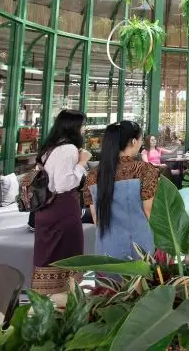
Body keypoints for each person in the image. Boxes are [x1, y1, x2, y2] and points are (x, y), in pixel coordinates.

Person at [30, 109, 90, 300]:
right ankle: (64, 302)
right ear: (74, 127)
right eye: (83, 125)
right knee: (68, 254)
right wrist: (82, 163)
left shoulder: (50, 148)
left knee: (47, 255)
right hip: (63, 209)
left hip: (45, 209)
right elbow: (64, 184)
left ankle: (45, 300)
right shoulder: (68, 149)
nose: (85, 129)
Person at [83, 120, 159, 260]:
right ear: (134, 141)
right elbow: (149, 213)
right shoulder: (145, 170)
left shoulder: (93, 175)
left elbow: (96, 218)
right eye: (141, 139)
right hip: (140, 248)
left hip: (106, 249)